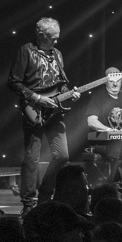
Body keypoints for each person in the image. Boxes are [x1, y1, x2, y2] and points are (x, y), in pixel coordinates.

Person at [8, 17, 80, 213]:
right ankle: (28, 204)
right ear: (41, 35)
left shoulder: (57, 54)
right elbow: (14, 82)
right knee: (31, 158)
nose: (56, 41)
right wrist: (38, 98)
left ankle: (46, 194)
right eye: (52, 37)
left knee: (62, 155)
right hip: (34, 111)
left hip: (55, 112)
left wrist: (69, 93)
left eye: (57, 37)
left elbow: (60, 84)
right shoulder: (26, 51)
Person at [86, 67, 122, 187]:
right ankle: (112, 187)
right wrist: (108, 130)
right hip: (102, 143)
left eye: (118, 81)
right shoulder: (98, 96)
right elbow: (91, 121)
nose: (115, 84)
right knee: (115, 149)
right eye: (111, 81)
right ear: (105, 81)